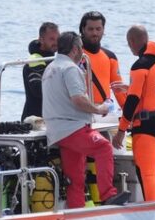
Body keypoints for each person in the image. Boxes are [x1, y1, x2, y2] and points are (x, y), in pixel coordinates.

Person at [42, 31, 130, 208]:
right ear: (75, 49)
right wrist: (98, 109)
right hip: (73, 128)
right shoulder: (70, 69)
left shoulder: (50, 68)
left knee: (76, 179)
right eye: (81, 48)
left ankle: (77, 212)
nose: (83, 51)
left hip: (57, 131)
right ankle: (108, 195)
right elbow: (78, 99)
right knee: (104, 147)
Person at [113, 25, 155, 201]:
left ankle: (153, 213)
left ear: (132, 41)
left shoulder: (139, 65)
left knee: (147, 175)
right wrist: (130, 87)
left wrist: (121, 131)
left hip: (147, 127)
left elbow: (132, 102)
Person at [78, 11, 127, 108]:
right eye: (90, 29)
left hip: (105, 112)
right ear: (83, 30)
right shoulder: (75, 55)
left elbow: (119, 91)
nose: (95, 33)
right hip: (81, 111)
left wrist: (128, 115)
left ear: (103, 30)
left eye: (98, 29)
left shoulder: (110, 56)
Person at [22, 22, 59, 120]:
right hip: (34, 118)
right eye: (51, 39)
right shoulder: (35, 59)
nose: (56, 42)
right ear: (41, 39)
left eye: (57, 39)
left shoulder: (53, 59)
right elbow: (37, 90)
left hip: (49, 115)